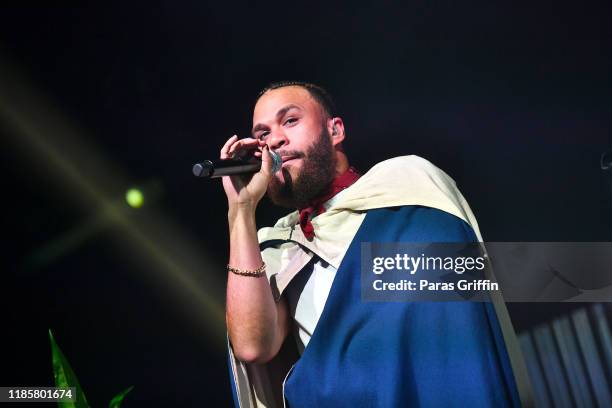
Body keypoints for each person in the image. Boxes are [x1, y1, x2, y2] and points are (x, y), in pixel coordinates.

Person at [222, 81, 532, 407]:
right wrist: (241, 210)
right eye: (262, 135)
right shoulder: (277, 247)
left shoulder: (409, 185)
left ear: (336, 130)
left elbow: (455, 311)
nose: (275, 140)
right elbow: (253, 346)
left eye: (290, 121)